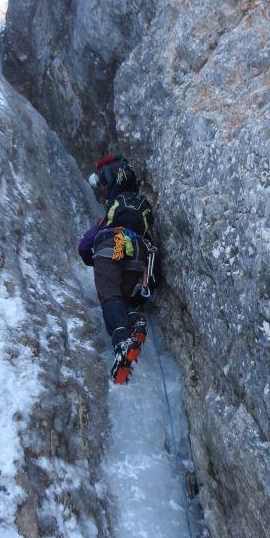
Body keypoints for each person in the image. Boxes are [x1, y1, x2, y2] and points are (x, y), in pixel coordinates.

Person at [79, 154, 160, 384]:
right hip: (138, 254)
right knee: (122, 296)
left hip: (115, 244)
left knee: (109, 292)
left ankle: (122, 341)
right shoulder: (142, 220)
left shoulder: (109, 219)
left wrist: (95, 259)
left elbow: (84, 246)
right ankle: (133, 322)